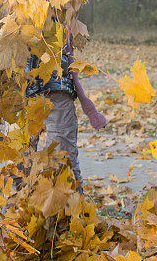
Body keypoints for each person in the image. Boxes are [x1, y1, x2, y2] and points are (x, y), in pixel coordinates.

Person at [26, 31, 107, 183]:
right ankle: (21, 202)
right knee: (24, 157)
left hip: (54, 87)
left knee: (60, 159)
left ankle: (66, 201)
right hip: (34, 87)